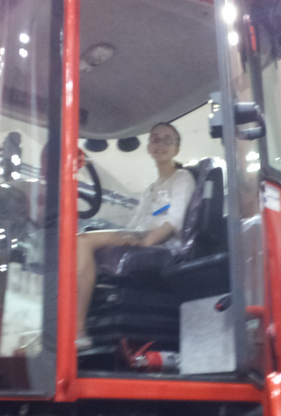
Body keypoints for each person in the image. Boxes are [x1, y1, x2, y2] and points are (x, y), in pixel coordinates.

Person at [76, 122, 195, 347]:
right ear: (149, 147)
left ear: (176, 149)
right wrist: (123, 239)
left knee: (83, 241)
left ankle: (78, 332)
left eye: (167, 140)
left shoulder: (182, 178)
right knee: (80, 240)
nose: (160, 144)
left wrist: (146, 242)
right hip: (140, 234)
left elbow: (174, 221)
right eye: (155, 139)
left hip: (161, 242)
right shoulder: (150, 189)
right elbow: (137, 222)